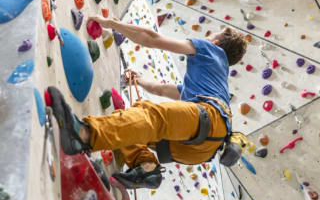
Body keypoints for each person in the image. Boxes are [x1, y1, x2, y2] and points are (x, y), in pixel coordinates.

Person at [47, 15, 248, 189]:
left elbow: (152, 38)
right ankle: (147, 167)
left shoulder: (209, 50)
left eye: (211, 36)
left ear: (216, 43)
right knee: (133, 119)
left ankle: (82, 135)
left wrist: (111, 23)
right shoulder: (210, 84)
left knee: (151, 116)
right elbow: (159, 89)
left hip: (208, 119)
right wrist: (138, 80)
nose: (207, 38)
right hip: (198, 151)